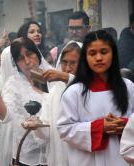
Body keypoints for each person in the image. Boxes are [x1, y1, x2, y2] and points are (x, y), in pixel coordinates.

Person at [57, 30, 134, 166]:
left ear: (113, 54)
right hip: (87, 160)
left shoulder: (128, 87)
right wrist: (99, 127)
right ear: (85, 58)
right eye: (92, 53)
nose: (98, 58)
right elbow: (64, 129)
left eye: (104, 52)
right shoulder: (74, 92)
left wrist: (126, 125)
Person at [0, 38, 51, 166]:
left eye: (29, 54)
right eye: (21, 58)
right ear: (16, 63)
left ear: (37, 54)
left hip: (54, 152)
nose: (28, 62)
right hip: (27, 156)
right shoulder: (14, 84)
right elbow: (5, 116)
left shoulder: (54, 78)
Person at [38, 40, 82, 166]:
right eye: (64, 62)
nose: (68, 68)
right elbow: (46, 133)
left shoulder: (90, 89)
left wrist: (66, 77)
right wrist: (36, 125)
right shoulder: (53, 94)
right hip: (59, 157)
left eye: (73, 63)